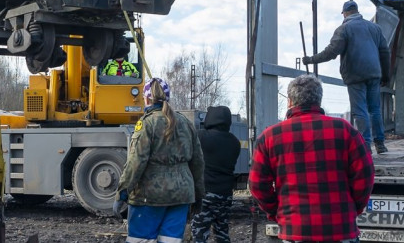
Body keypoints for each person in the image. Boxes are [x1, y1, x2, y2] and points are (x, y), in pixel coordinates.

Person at [249, 74, 373, 243]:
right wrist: (352, 209)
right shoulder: (345, 130)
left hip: (295, 230)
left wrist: (277, 212)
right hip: (341, 229)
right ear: (319, 101)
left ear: (289, 102)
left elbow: (257, 184)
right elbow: (365, 176)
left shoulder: (269, 137)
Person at [114, 77, 205, 243]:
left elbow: (136, 162)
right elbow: (198, 162)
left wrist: (122, 192)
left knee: (139, 240)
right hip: (181, 195)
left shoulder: (147, 124)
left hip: (148, 196)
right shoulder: (185, 122)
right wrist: (199, 194)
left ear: (147, 98)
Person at [302, 0, 390, 153]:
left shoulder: (344, 29)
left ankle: (365, 146)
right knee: (375, 109)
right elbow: (385, 52)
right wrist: (386, 75)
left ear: (345, 13)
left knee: (360, 110)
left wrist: (311, 60)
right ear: (357, 11)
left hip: (355, 74)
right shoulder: (375, 28)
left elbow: (331, 52)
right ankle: (380, 144)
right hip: (374, 73)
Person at [190, 106, 241, 243]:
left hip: (205, 194)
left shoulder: (201, 136)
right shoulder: (235, 142)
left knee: (199, 234)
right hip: (225, 195)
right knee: (222, 232)